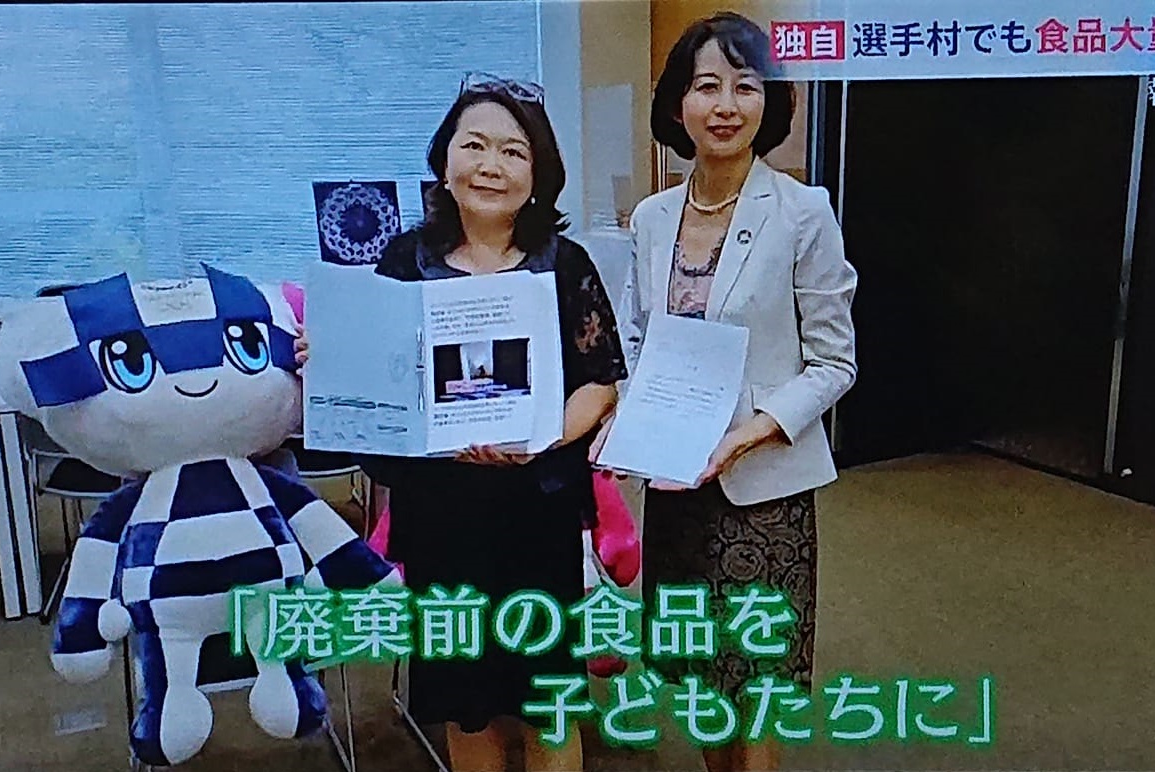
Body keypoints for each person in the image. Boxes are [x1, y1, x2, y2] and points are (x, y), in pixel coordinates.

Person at [296, 73, 627, 772]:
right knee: (464, 701)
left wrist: (537, 436)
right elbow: (376, 373)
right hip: (441, 518)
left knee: (547, 698)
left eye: (513, 151)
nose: (490, 165)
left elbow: (600, 381)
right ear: (444, 163)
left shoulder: (565, 264)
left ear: (537, 174)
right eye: (473, 145)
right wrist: (330, 358)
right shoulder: (404, 262)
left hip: (536, 516)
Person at [589, 12, 858, 772]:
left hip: (761, 486)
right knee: (704, 678)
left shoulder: (802, 212)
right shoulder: (652, 218)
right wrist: (625, 414)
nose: (726, 105)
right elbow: (641, 341)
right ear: (678, 104)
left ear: (770, 103)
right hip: (677, 482)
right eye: (706, 86)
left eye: (746, 86)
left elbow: (835, 363)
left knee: (756, 684)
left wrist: (749, 432)